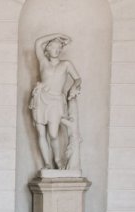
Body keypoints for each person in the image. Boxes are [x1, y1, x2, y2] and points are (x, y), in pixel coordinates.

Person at [30, 33, 82, 170]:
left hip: (56, 100)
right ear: (47, 49)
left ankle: (57, 160)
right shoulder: (43, 62)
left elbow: (77, 79)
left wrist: (73, 87)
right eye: (53, 47)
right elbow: (38, 42)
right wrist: (58, 34)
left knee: (53, 134)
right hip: (41, 99)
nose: (57, 50)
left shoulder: (66, 64)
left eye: (59, 48)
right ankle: (47, 163)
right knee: (41, 133)